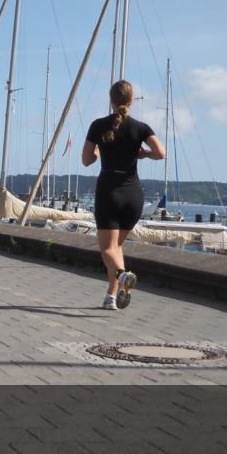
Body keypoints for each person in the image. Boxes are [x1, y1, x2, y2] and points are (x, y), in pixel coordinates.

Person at [82, 80, 166, 311]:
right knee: (116, 247)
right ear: (132, 101)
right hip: (133, 194)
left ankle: (122, 275)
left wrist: (98, 152)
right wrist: (144, 155)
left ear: (111, 100)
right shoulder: (141, 127)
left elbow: (86, 160)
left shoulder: (98, 125)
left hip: (109, 191)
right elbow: (161, 153)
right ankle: (111, 296)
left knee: (107, 249)